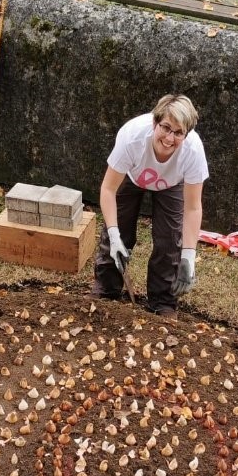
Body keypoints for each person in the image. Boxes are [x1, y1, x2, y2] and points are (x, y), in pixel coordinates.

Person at [92, 94, 208, 317]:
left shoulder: (193, 152)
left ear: (187, 134)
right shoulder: (132, 138)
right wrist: (115, 235)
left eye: (178, 133)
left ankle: (163, 301)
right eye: (165, 128)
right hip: (131, 176)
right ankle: (106, 290)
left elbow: (193, 208)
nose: (169, 138)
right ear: (155, 123)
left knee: (169, 239)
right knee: (118, 231)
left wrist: (189, 258)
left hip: (171, 183)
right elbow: (108, 189)